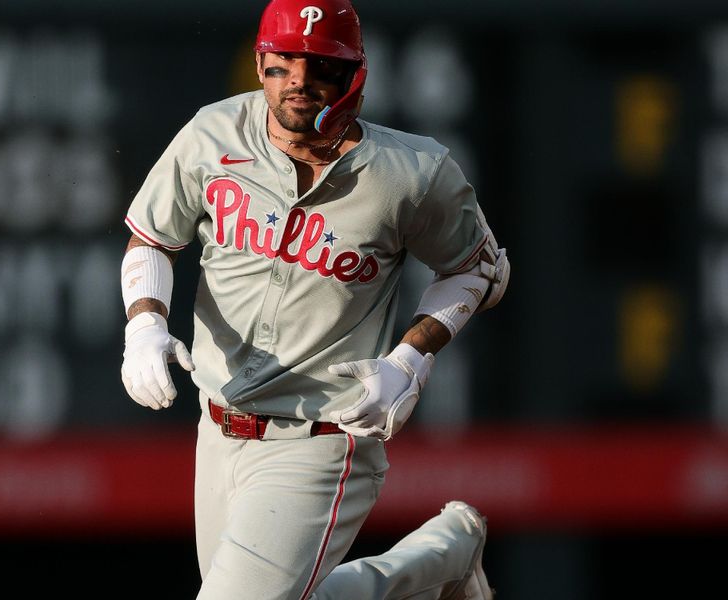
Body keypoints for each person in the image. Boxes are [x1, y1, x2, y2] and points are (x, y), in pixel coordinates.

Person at [119, 0, 509, 598]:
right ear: (261, 62)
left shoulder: (412, 171)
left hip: (322, 435)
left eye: (320, 64)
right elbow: (151, 238)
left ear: (354, 72)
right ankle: (441, 557)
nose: (298, 81)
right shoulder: (213, 133)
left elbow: (480, 269)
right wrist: (144, 325)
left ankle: (441, 558)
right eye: (283, 64)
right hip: (219, 429)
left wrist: (411, 359)